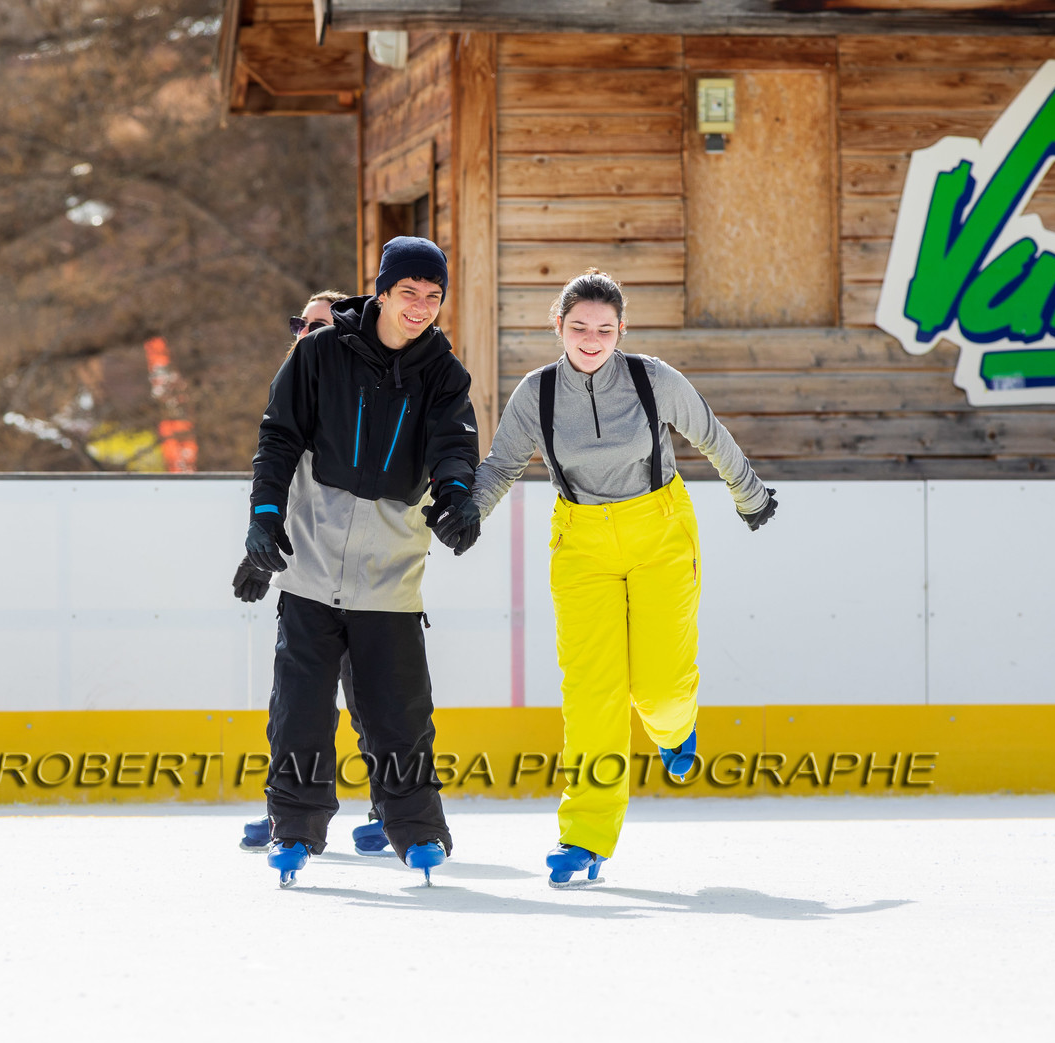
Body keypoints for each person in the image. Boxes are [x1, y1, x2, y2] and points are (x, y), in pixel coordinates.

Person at [468, 268, 777, 887]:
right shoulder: (537, 393)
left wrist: (750, 494)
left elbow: (709, 435)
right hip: (580, 542)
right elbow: (501, 464)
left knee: (659, 687)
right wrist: (465, 518)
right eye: (578, 326)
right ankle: (584, 835)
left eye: (603, 329)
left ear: (621, 330)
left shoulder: (652, 379)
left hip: (659, 530)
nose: (590, 338)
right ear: (558, 327)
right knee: (591, 693)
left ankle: (674, 727)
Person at [245, 236, 481, 886]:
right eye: (409, 292)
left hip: (390, 566)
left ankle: (419, 832)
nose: (421, 307)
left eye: (433, 297)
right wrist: (264, 516)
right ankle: (293, 829)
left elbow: (454, 444)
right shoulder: (320, 354)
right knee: (299, 709)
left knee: (400, 710)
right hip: (313, 561)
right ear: (382, 289)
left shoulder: (443, 373)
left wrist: (458, 496)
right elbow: (279, 437)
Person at [231, 291, 389, 858]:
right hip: (306, 576)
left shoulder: (355, 392)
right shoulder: (291, 391)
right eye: (300, 323)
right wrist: (259, 553)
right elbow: (280, 484)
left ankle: (388, 807)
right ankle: (287, 808)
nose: (306, 332)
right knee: (294, 703)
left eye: (319, 323)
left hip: (367, 574)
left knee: (371, 696)